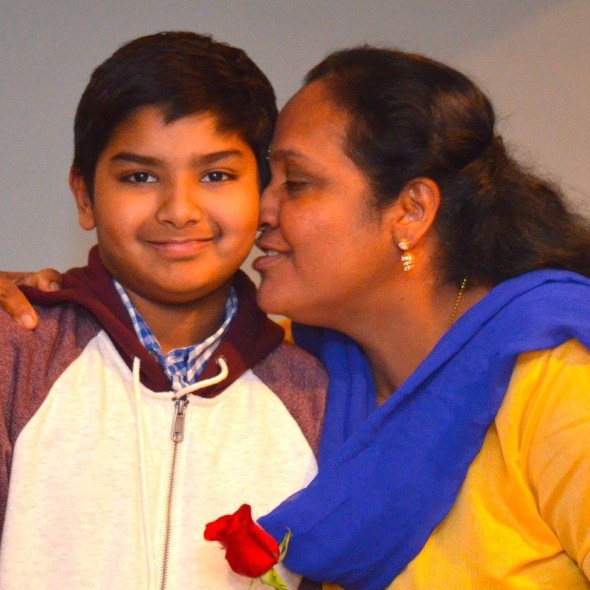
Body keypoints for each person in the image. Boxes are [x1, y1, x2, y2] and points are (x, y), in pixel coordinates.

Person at [3, 47, 590, 589]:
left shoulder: (557, 382)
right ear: (85, 194)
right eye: (270, 180)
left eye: (297, 183)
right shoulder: (320, 370)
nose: (263, 209)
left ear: (410, 211)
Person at [0, 31, 328, 589]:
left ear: (265, 194)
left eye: (216, 175)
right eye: (140, 177)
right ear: (84, 196)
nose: (179, 210)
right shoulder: (20, 355)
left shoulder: (311, 391)